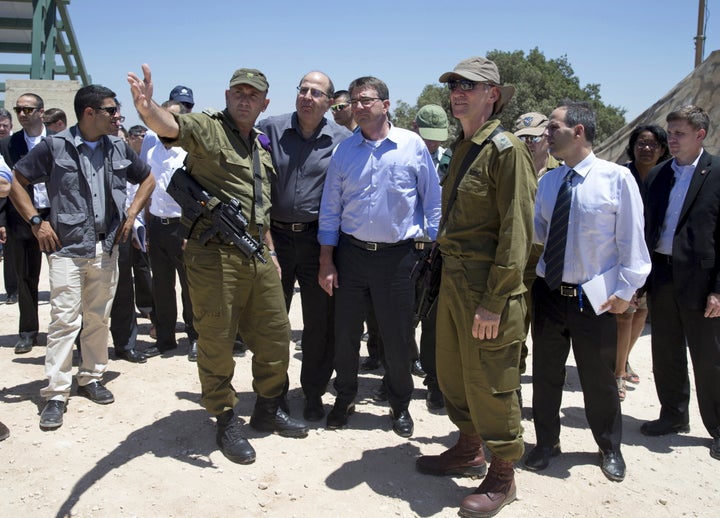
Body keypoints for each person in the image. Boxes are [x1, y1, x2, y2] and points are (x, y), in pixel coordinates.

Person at [128, 64, 309, 465]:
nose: (244, 99)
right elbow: (173, 126)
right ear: (228, 97)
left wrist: (272, 253)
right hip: (214, 258)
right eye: (237, 93)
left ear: (264, 103)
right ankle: (225, 418)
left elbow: (257, 207)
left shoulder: (259, 146)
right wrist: (147, 108)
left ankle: (267, 407)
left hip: (257, 254)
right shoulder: (210, 129)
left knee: (276, 337)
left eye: (252, 95)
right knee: (216, 342)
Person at [414, 56, 535, 518]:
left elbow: (517, 234)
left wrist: (495, 301)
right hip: (454, 282)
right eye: (454, 85)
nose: (458, 91)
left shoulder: (506, 150)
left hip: (489, 289)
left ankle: (503, 477)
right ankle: (468, 448)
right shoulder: (465, 147)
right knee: (453, 371)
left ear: (493, 95)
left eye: (470, 85)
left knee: (492, 381)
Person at [3, 84, 156, 430]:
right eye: (112, 110)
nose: (118, 116)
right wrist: (36, 222)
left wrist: (131, 215)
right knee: (64, 321)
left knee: (98, 317)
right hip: (67, 250)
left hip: (106, 248)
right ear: (90, 113)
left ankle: (90, 377)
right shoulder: (54, 147)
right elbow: (16, 180)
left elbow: (148, 179)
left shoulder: (117, 146)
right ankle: (56, 393)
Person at [526, 101, 651, 484]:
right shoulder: (549, 181)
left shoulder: (615, 179)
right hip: (549, 293)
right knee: (545, 374)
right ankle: (546, 443)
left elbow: (632, 240)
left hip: (593, 299)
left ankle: (609, 447)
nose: (547, 134)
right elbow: (541, 237)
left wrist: (626, 291)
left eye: (553, 127)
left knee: (598, 378)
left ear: (578, 131)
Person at [318, 75, 441, 438]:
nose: (358, 106)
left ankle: (400, 404)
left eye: (366, 100)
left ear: (386, 105)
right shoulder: (344, 151)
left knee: (398, 336)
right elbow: (330, 208)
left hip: (398, 258)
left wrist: (429, 246)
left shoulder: (412, 146)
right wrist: (327, 260)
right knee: (346, 334)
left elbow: (431, 200)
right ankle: (345, 398)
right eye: (354, 100)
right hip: (352, 254)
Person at [257, 71, 351, 421]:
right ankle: (274, 393)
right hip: (274, 239)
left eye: (317, 92)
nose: (308, 97)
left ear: (329, 102)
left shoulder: (343, 140)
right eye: (303, 90)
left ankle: (313, 392)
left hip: (319, 241)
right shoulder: (269, 129)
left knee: (319, 324)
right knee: (272, 322)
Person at [641, 105, 720, 462]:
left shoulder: (717, 173)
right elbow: (647, 227)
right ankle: (673, 415)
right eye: (669, 133)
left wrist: (719, 289)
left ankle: (717, 428)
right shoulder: (658, 175)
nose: (670, 140)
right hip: (662, 273)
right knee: (666, 351)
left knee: (709, 358)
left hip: (702, 282)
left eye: (679, 134)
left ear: (700, 135)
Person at [614, 125, 669, 400]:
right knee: (625, 314)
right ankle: (617, 376)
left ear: (662, 149)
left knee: (642, 313)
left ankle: (623, 359)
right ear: (632, 146)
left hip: (655, 257)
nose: (646, 149)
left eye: (653, 144)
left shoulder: (668, 176)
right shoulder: (622, 175)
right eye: (641, 143)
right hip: (626, 256)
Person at [144, 100, 198, 361]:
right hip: (157, 225)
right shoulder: (152, 151)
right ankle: (165, 339)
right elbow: (146, 190)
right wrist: (143, 226)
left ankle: (195, 337)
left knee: (191, 287)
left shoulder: (189, 152)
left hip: (182, 226)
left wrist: (191, 230)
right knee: (162, 286)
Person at [513, 111, 561, 387]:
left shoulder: (562, 172)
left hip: (548, 266)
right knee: (514, 334)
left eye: (533, 137)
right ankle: (514, 389)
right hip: (518, 264)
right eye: (523, 138)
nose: (529, 143)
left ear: (546, 136)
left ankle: (545, 396)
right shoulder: (511, 167)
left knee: (547, 337)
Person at [0, 93, 48, 354]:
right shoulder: (8, 144)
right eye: (18, 109)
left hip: (55, 218)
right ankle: (28, 333)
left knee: (68, 279)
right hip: (21, 219)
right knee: (25, 277)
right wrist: (2, 220)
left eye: (28, 109)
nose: (22, 114)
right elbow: (3, 185)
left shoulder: (58, 140)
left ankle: (72, 333)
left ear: (41, 112)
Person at [412, 103, 449, 411]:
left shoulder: (451, 161)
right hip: (406, 250)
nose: (432, 144)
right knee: (399, 319)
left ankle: (434, 383)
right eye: (427, 137)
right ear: (414, 128)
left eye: (437, 138)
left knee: (435, 322)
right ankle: (395, 376)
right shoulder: (400, 157)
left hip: (438, 253)